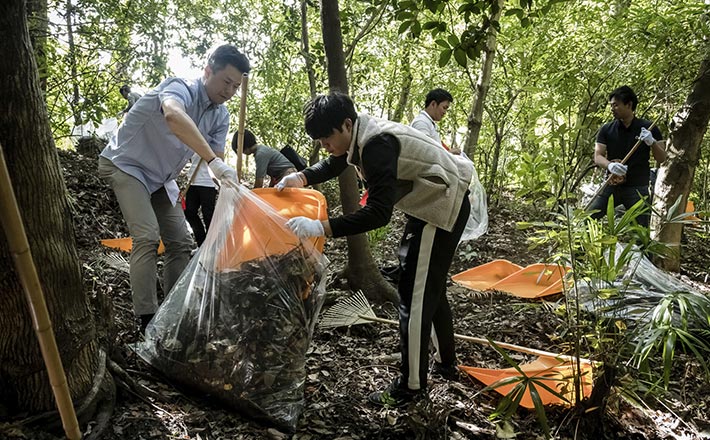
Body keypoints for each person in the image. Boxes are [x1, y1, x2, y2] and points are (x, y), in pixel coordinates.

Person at [277, 92, 473, 407]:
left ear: (346, 124)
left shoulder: (377, 145)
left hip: (441, 205)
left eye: (327, 138)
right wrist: (301, 177)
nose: (325, 145)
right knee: (428, 287)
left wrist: (322, 227)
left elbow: (379, 214)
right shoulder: (360, 136)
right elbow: (334, 162)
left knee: (413, 295)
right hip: (431, 203)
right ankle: (447, 364)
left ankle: (411, 387)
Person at [98, 45, 250, 332]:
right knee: (147, 237)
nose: (230, 90)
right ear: (208, 72)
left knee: (181, 242)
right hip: (126, 165)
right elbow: (173, 116)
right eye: (226, 82)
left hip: (159, 179)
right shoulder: (180, 87)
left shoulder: (220, 115)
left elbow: (216, 158)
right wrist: (212, 162)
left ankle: (171, 314)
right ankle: (146, 321)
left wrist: (229, 183)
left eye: (236, 86)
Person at [588, 86, 666, 227]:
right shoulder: (607, 129)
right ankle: (580, 247)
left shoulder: (649, 128)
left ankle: (641, 249)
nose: (612, 109)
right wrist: (609, 165)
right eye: (611, 105)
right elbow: (598, 156)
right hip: (612, 184)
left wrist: (652, 142)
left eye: (616, 105)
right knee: (588, 217)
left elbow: (662, 158)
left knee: (641, 231)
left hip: (638, 188)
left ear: (629, 105)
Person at [183, 153, 218, 247]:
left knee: (208, 216)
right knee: (189, 212)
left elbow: (218, 158)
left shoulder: (214, 140)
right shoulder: (192, 139)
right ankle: (202, 244)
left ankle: (210, 247)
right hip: (193, 180)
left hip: (209, 182)